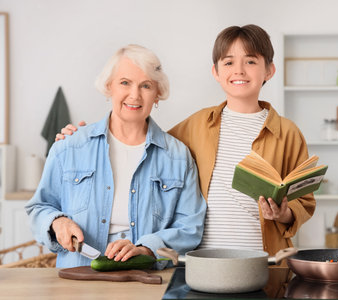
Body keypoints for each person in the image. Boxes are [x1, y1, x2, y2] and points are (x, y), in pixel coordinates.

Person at [56, 25, 315, 257]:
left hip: (264, 261)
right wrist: (80, 138)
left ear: (269, 70)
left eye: (250, 61)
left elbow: (303, 201)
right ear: (215, 71)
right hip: (201, 263)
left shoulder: (288, 133)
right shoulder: (195, 125)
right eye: (228, 63)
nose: (239, 70)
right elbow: (143, 142)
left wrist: (285, 214)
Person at [26, 44, 206, 269]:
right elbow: (39, 207)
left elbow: (190, 227)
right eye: (125, 83)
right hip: (78, 279)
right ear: (108, 86)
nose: (135, 95)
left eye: (146, 85)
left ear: (157, 94)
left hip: (147, 279)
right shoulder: (70, 146)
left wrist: (146, 248)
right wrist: (57, 222)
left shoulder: (178, 156)